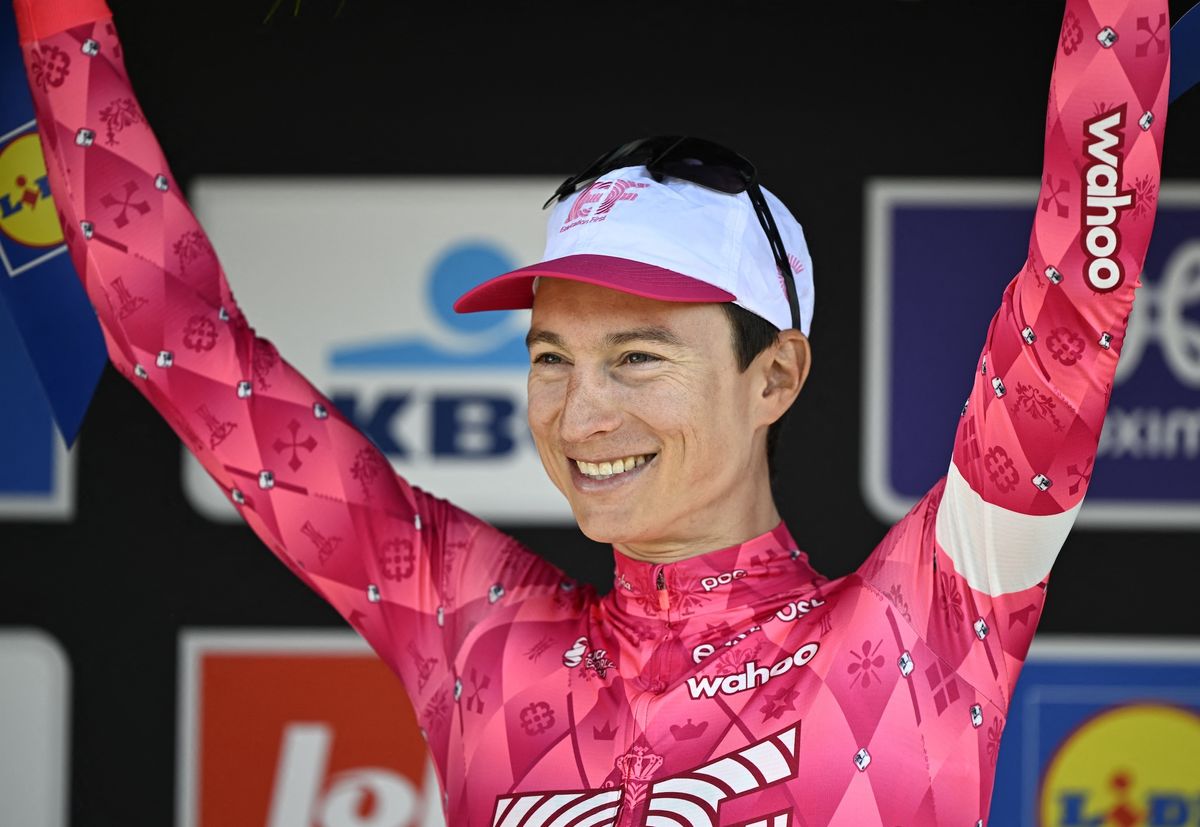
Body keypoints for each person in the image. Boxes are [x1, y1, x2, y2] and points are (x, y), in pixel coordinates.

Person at [12, 0, 1168, 823]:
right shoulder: (474, 630)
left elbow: (1077, 292)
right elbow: (179, 342)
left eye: (638, 355)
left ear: (775, 376)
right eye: (551, 357)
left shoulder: (928, 624)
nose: (581, 413)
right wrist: (62, 23)